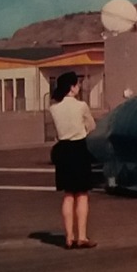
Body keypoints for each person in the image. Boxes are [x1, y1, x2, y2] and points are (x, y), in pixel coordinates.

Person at [48, 71, 98, 249]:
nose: (78, 87)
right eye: (76, 84)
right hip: (79, 148)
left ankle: (69, 237)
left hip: (63, 150)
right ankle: (81, 236)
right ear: (71, 87)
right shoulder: (81, 106)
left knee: (68, 195)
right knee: (82, 194)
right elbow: (91, 126)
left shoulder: (53, 109)